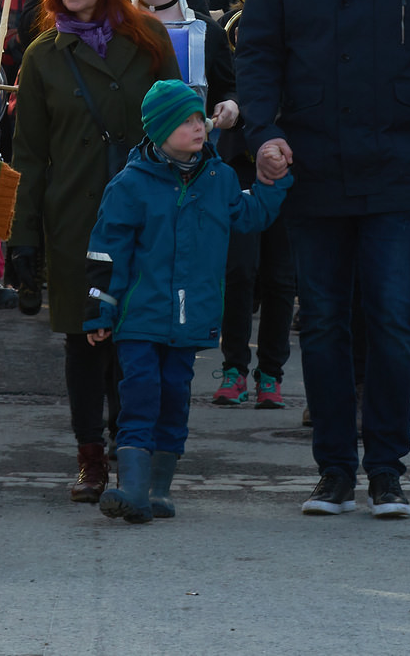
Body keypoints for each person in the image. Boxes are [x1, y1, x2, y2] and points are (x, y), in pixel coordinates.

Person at [236, 0, 410, 520]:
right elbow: (259, 53)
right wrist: (263, 132)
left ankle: (388, 468)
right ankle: (335, 469)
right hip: (313, 160)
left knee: (393, 316)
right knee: (322, 320)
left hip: (401, 161)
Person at [6, 0, 178, 503]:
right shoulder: (42, 55)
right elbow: (29, 155)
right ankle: (90, 457)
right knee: (85, 340)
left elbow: (176, 124)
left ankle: (131, 446)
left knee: (138, 334)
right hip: (74, 215)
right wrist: (22, 238)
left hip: (145, 216)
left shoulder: (149, 39)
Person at [83, 80, 290, 523]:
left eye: (200, 119)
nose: (198, 128)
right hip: (139, 316)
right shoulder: (130, 183)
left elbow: (250, 216)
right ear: (159, 131)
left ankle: (158, 490)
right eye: (185, 122)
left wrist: (273, 182)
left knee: (175, 397)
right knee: (139, 393)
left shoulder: (221, 178)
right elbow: (106, 251)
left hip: (188, 319)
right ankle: (134, 488)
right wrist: (100, 310)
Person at [122, 0, 286, 409]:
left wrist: (231, 104)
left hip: (214, 165)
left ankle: (261, 370)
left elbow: (228, 80)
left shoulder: (206, 31)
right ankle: (203, 366)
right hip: (142, 165)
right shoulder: (117, 26)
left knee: (271, 273)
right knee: (212, 270)